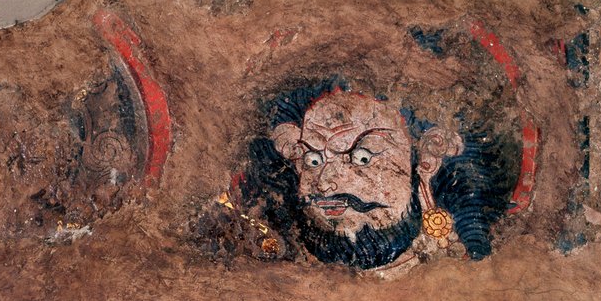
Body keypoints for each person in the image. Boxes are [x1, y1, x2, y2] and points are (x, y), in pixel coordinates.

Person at [203, 77, 520, 270]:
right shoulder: (273, 277)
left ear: (425, 160)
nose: (326, 183)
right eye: (312, 159)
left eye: (362, 157)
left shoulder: (462, 273)